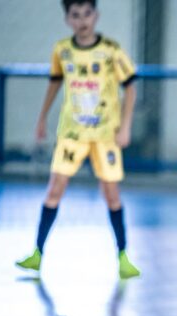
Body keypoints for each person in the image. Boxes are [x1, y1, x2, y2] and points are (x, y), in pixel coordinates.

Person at [16, 0, 140, 279]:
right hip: (72, 133)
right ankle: (37, 254)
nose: (82, 20)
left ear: (96, 16)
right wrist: (42, 118)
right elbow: (54, 82)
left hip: (105, 134)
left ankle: (123, 256)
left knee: (111, 194)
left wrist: (125, 126)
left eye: (87, 14)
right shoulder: (62, 50)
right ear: (67, 20)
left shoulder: (111, 50)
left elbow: (131, 86)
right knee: (54, 189)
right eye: (75, 15)